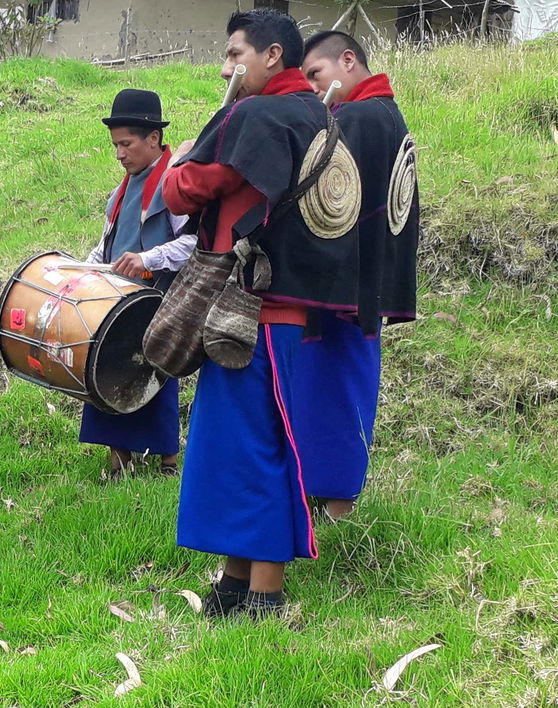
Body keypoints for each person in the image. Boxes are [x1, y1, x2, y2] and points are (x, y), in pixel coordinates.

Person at [161, 8, 363, 619]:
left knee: (258, 448)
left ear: (273, 55)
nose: (226, 69)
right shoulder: (319, 116)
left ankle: (265, 596)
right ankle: (233, 580)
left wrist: (186, 153)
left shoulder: (257, 116)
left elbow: (180, 192)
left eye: (235, 55)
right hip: (284, 309)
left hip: (252, 308)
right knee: (239, 444)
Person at [294, 30, 420, 520]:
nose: (311, 86)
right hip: (361, 287)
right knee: (335, 388)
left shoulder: (360, 117)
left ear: (348, 60)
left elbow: (329, 200)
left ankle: (337, 504)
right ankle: (327, 496)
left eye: (316, 73)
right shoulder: (386, 113)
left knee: (336, 390)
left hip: (342, 291)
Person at [81, 89, 193, 478]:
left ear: (153, 138)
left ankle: (167, 461)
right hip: (115, 301)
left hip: (159, 302)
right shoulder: (120, 191)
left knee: (155, 375)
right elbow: (106, 245)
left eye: (126, 144)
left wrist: (148, 258)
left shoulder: (175, 184)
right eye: (115, 145)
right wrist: (81, 269)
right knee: (104, 367)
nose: (119, 154)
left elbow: (195, 244)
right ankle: (119, 459)